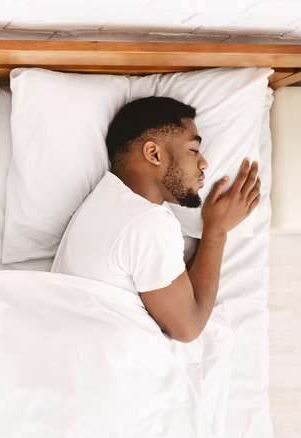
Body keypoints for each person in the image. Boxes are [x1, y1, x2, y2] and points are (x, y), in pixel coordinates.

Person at [51, 96, 260, 343]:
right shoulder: (147, 222)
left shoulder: (108, 199)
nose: (204, 163)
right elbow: (188, 328)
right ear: (153, 153)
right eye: (193, 150)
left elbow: (178, 292)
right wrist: (217, 231)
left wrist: (212, 230)